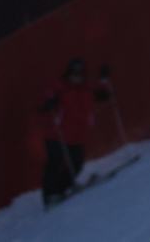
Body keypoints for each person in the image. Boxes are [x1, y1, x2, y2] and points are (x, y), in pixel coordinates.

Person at [38, 57, 113, 207]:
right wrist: (47, 103)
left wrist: (104, 78)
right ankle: (50, 195)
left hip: (76, 136)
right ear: (68, 74)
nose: (76, 78)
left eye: (79, 74)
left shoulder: (87, 88)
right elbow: (44, 100)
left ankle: (61, 189)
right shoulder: (59, 87)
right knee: (55, 162)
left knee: (77, 164)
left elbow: (104, 94)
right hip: (56, 134)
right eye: (73, 74)